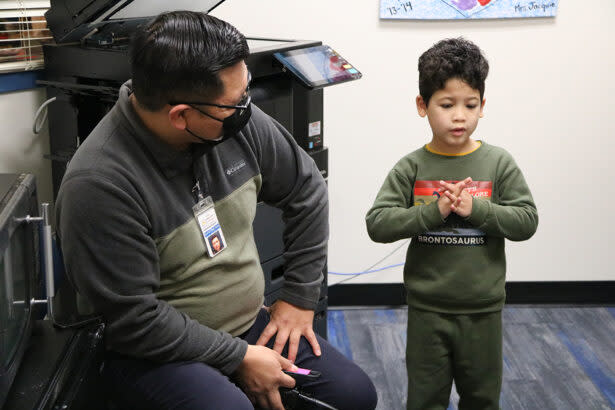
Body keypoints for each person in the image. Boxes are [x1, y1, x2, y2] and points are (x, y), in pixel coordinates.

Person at [56, 11, 376, 410]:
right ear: (181, 116)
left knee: (354, 395)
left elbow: (306, 189)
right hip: (155, 353)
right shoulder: (100, 185)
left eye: (245, 92)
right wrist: (238, 358)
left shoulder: (230, 117)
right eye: (233, 103)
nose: (246, 107)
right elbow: (135, 321)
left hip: (248, 325)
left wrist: (298, 298)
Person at [365, 38, 538, 410]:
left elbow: (526, 221)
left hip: (483, 309)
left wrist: (475, 210)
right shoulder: (411, 167)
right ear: (422, 106)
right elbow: (378, 224)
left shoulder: (498, 163)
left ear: (482, 106)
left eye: (470, 105)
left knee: (481, 398)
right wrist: (434, 211)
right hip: (427, 309)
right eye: (446, 105)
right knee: (425, 399)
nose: (459, 116)